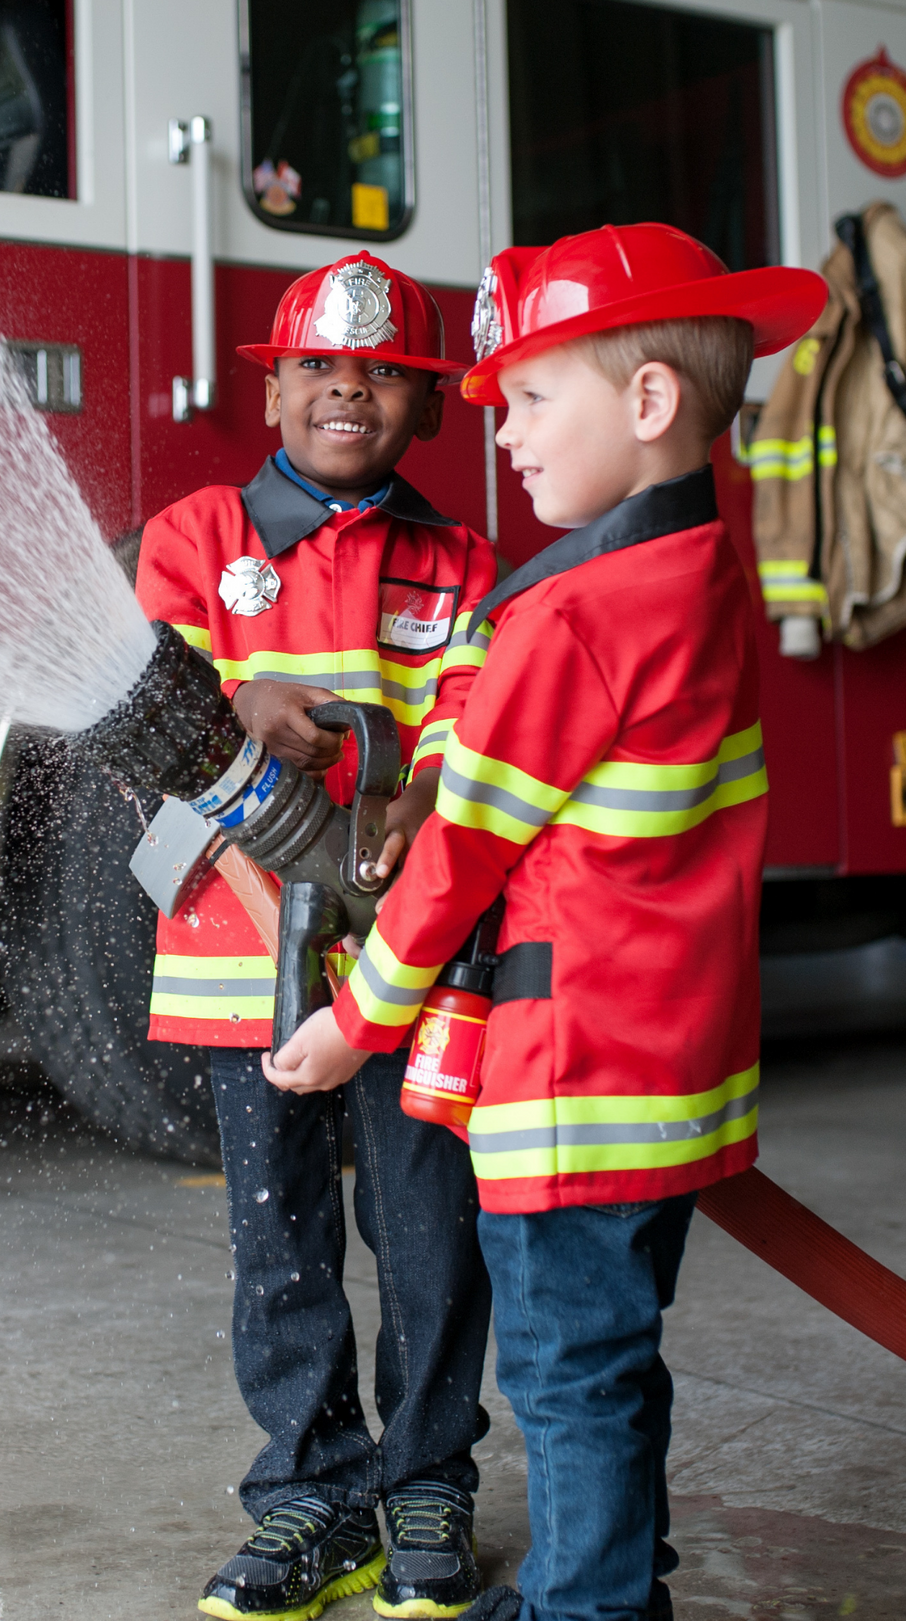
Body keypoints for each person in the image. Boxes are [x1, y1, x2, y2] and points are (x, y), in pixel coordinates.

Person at [262, 225, 828, 1621]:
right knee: (616, 1355)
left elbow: (457, 864)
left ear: (644, 405)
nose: (500, 435)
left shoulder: (574, 614)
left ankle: (588, 1606)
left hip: (572, 1081)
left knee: (569, 1373)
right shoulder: (698, 579)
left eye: (525, 401)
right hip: (676, 1066)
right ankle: (605, 1571)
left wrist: (354, 1023)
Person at [135, 250, 499, 1621]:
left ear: (428, 407)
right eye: (320, 369)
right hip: (239, 965)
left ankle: (423, 1482)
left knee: (426, 1234)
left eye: (386, 375)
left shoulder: (462, 565)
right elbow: (139, 717)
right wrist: (242, 694)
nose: (349, 389)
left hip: (410, 972)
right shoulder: (195, 539)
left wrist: (417, 781)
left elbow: (476, 726)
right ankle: (309, 1493)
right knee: (277, 1241)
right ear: (273, 388)